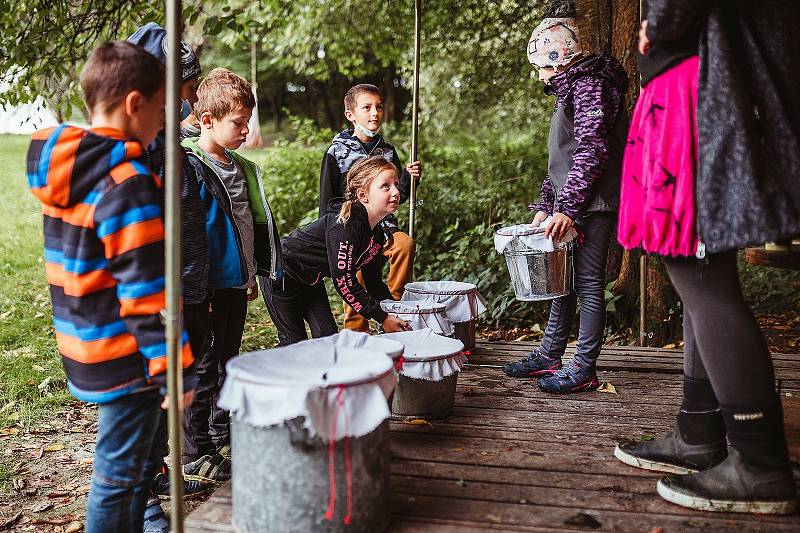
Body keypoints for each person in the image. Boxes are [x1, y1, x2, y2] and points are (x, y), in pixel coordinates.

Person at [614, 0, 799, 514]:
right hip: (692, 83)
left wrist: (662, 20)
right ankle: (699, 430)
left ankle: (761, 464)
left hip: (695, 88)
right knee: (694, 269)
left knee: (700, 275)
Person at [25, 41, 195, 533]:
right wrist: (173, 368)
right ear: (134, 104)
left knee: (135, 468)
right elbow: (146, 291)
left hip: (86, 345)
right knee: (119, 479)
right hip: (130, 356)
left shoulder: (69, 167)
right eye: (163, 108)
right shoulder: (127, 179)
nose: (165, 122)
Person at [502, 2, 629, 394]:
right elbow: (561, 160)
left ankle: (584, 367)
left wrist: (569, 209)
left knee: (589, 284)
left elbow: (591, 149)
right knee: (562, 282)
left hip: (593, 205)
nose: (539, 75)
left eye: (541, 65)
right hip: (571, 206)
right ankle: (550, 354)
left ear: (560, 59)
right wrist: (546, 205)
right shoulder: (572, 89)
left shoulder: (591, 85)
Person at [126, 22, 211, 531]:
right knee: (151, 397)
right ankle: (142, 504)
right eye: (182, 89)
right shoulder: (141, 143)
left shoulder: (167, 138)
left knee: (168, 391)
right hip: (160, 291)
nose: (188, 101)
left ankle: (155, 474)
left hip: (186, 284)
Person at [181, 67, 283, 483]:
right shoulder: (191, 166)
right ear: (207, 120)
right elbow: (192, 236)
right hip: (205, 286)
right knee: (204, 366)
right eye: (237, 123)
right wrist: (196, 287)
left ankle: (221, 435)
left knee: (229, 360)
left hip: (235, 282)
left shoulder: (239, 166)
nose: (245, 131)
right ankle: (194, 450)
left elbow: (247, 224)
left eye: (247, 122)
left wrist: (251, 273)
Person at [264, 156, 410, 345]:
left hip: (310, 278)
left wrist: (395, 311)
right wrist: (382, 318)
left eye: (396, 184)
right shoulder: (345, 226)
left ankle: (323, 373)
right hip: (281, 272)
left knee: (327, 334)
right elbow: (345, 282)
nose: (396, 192)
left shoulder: (377, 235)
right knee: (294, 343)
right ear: (363, 195)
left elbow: (373, 282)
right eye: (385, 186)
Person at [319, 83, 422, 332]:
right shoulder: (336, 152)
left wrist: (409, 178)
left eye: (379, 107)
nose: (375, 113)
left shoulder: (387, 151)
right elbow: (327, 200)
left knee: (405, 244)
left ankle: (393, 307)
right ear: (351, 115)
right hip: (351, 230)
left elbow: (401, 196)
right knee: (358, 271)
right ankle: (357, 329)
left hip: (385, 228)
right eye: (367, 107)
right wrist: (333, 235)